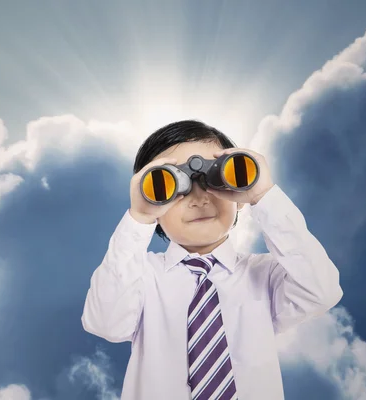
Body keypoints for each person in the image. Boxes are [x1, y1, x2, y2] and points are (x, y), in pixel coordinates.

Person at [81, 120, 343, 399]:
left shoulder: (265, 275)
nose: (198, 198)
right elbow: (105, 322)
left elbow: (321, 291)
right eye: (173, 185)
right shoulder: (141, 277)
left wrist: (264, 196)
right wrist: (139, 218)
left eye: (212, 179)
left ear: (238, 196)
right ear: (155, 204)